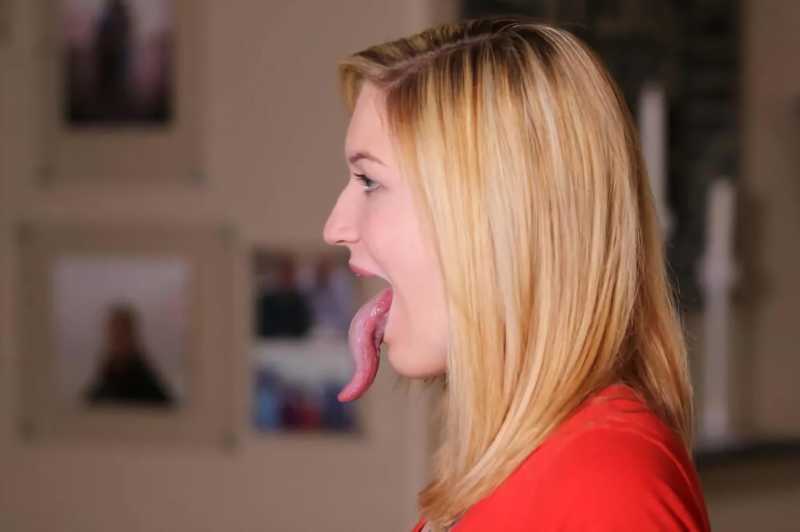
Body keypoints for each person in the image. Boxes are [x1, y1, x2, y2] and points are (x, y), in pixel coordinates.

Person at [322, 16, 711, 532]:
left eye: (370, 181)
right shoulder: (516, 463)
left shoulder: (607, 485)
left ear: (496, 215)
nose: (335, 227)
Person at [85, 304, 173, 407]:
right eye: (113, 333)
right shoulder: (105, 379)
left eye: (121, 333)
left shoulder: (147, 383)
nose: (116, 339)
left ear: (132, 336)